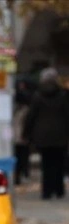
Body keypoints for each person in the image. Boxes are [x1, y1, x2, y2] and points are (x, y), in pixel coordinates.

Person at [22, 67, 69, 200]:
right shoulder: (63, 95)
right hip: (61, 135)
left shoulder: (38, 95)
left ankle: (46, 191)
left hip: (42, 135)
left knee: (46, 163)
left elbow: (31, 116)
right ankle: (59, 190)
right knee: (59, 163)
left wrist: (26, 133)